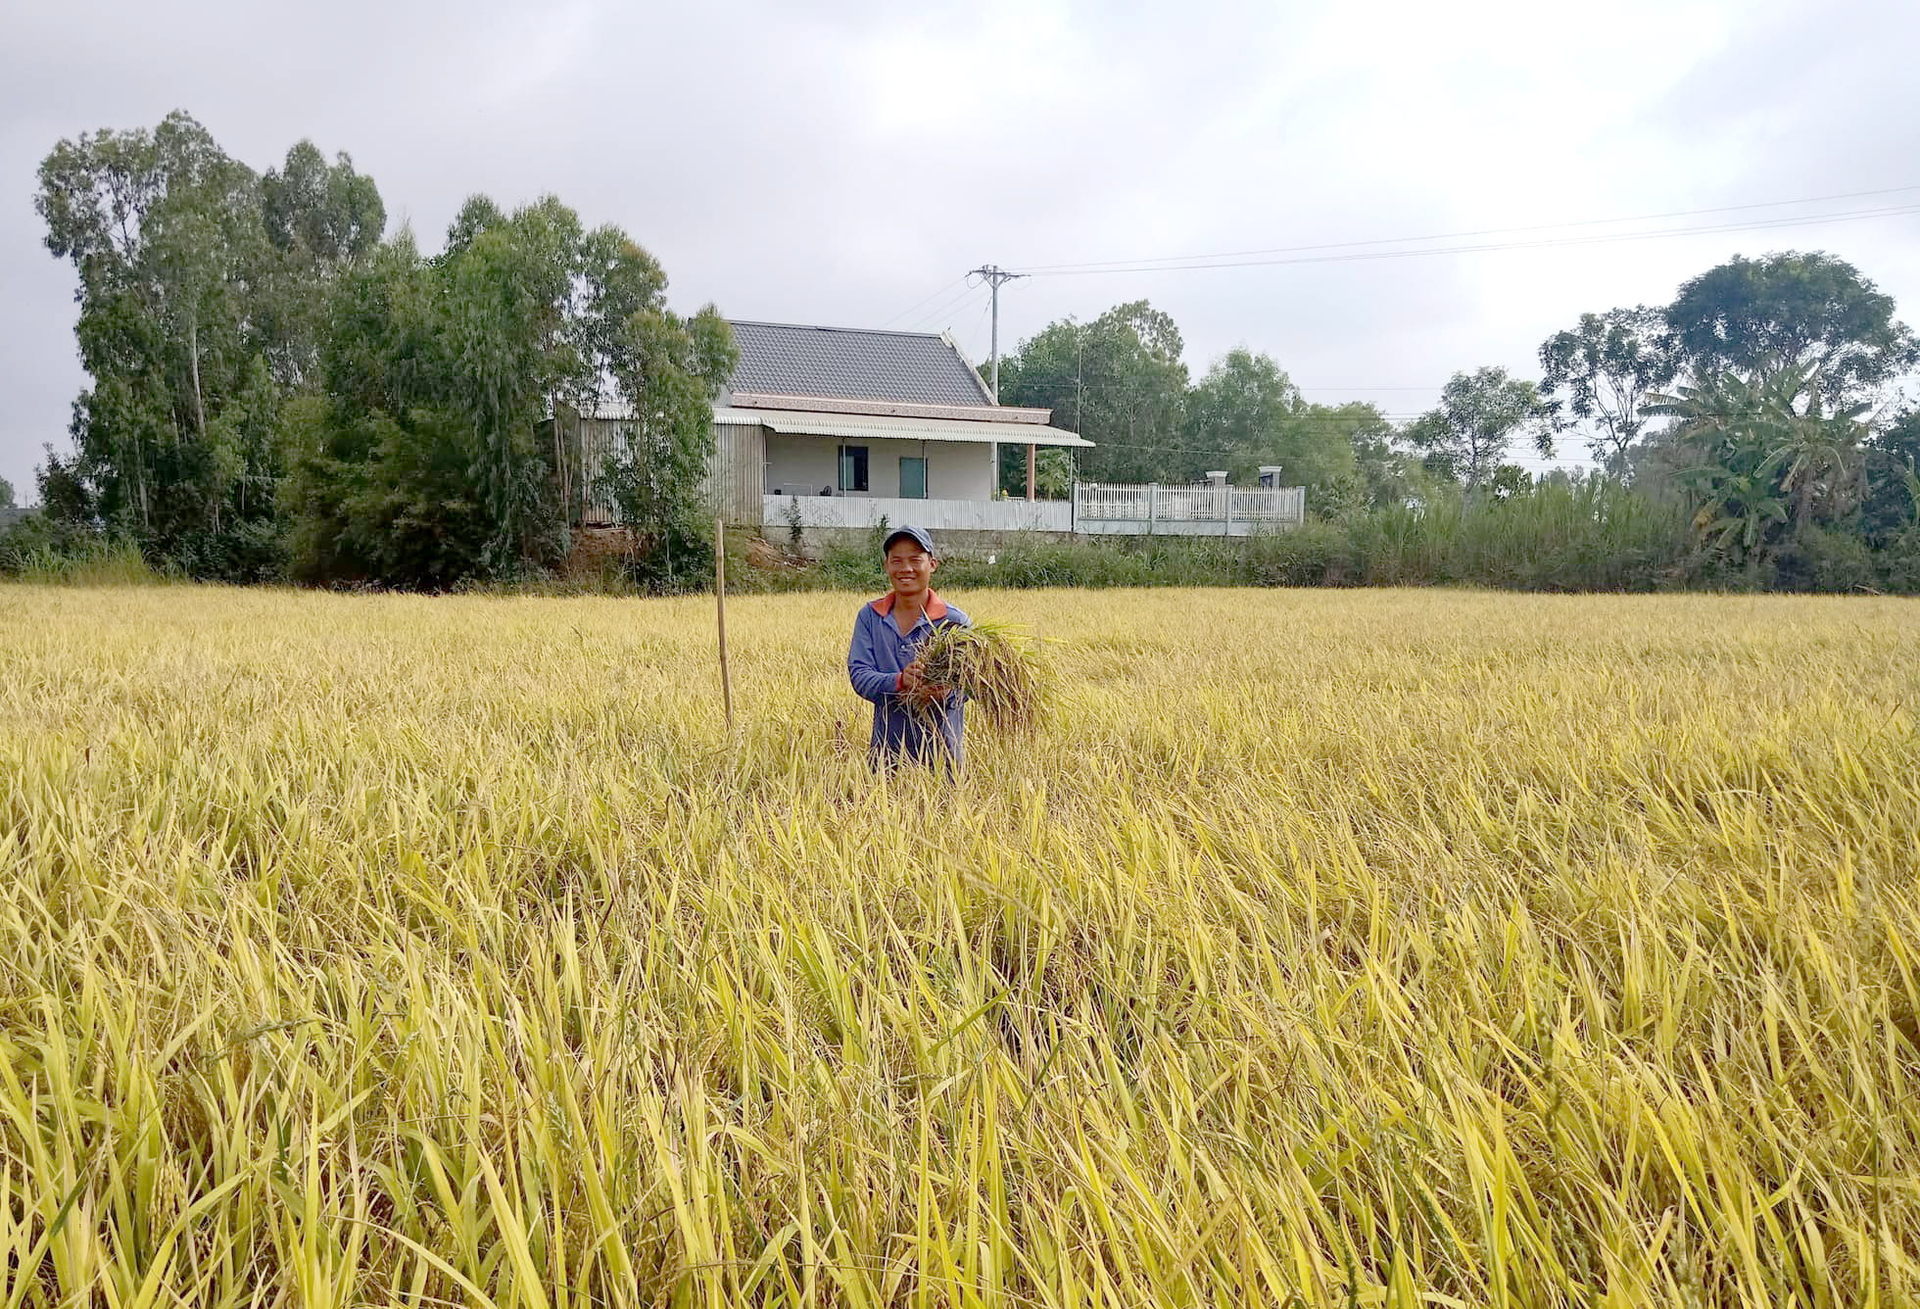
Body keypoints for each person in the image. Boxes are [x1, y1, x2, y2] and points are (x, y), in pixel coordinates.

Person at [847, 525, 971, 769]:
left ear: (932, 564)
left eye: (915, 560)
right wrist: (900, 681)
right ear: (887, 566)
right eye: (897, 561)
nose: (906, 569)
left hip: (942, 760)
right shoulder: (871, 617)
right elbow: (859, 675)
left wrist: (945, 692)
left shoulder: (955, 622)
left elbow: (973, 684)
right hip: (886, 759)